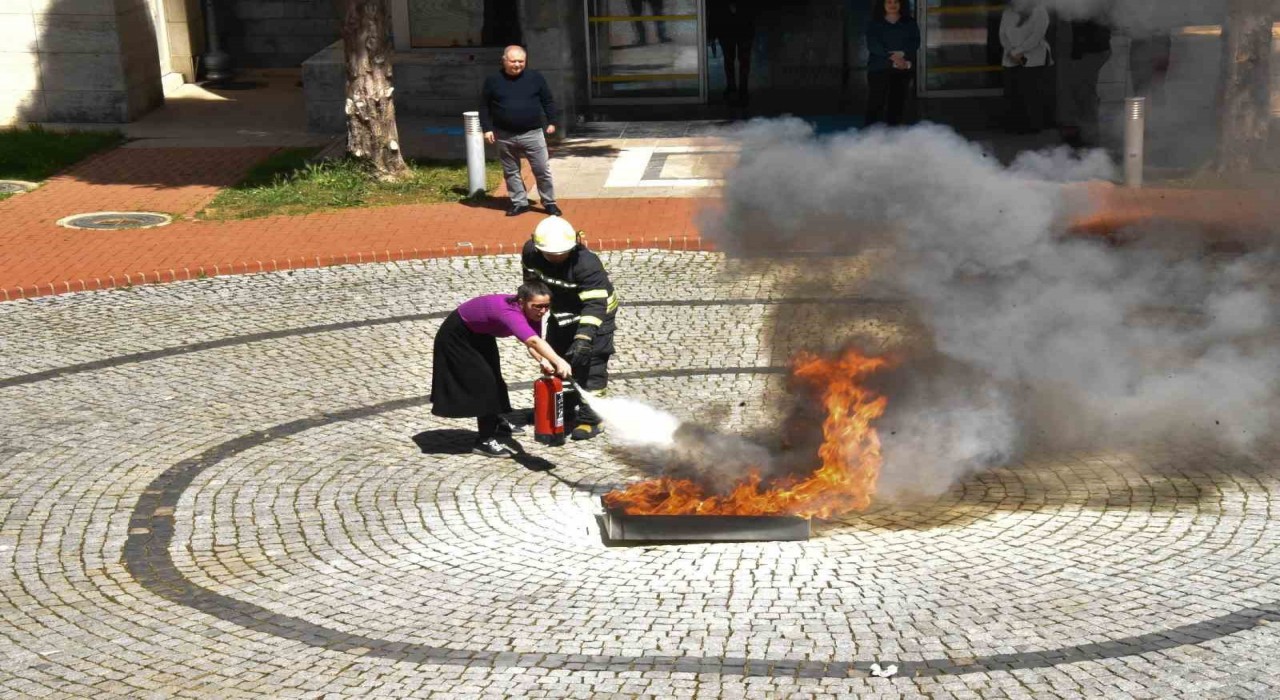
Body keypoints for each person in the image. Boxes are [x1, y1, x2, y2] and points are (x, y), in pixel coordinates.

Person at [431, 281, 572, 458]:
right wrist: (559, 361)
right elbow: (533, 341)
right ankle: (484, 440)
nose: (542, 311)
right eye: (537, 306)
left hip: (481, 335)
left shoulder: (534, 313)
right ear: (521, 302)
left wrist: (543, 360)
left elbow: (533, 342)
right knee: (485, 384)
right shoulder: (509, 312)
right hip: (457, 337)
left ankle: (495, 422)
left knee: (495, 379)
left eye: (546, 306)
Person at [521, 217, 618, 441]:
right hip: (562, 313)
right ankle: (563, 406)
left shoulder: (587, 264)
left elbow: (594, 305)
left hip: (596, 315)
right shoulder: (530, 253)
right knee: (558, 358)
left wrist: (584, 338)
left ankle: (591, 418)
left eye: (561, 253)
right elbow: (532, 288)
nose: (556, 258)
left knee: (592, 364)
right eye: (550, 254)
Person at [479, 45, 561, 218]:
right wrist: (487, 129)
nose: (517, 64)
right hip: (504, 134)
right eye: (513, 61)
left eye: (521, 61)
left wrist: (552, 121)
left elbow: (547, 100)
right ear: (504, 61)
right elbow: (484, 106)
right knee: (511, 171)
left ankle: (549, 202)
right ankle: (520, 203)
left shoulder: (535, 78)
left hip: (532, 133)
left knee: (541, 170)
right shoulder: (493, 80)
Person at [864, 0, 920, 127]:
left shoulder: (909, 23)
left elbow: (915, 42)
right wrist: (893, 57)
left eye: (896, 2)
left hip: (902, 67)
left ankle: (894, 133)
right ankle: (871, 133)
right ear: (882, 5)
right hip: (878, 67)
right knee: (876, 101)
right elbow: (873, 45)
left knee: (898, 101)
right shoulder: (874, 23)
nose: (892, 5)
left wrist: (903, 55)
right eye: (889, 2)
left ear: (901, 4)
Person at [999, 2, 1051, 134]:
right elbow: (1002, 34)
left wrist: (1018, 51)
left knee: (1031, 92)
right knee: (1012, 91)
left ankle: (1033, 126)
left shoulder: (1040, 10)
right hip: (1010, 57)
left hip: (1033, 57)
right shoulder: (1008, 11)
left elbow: (1037, 36)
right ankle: (1014, 124)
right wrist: (1011, 51)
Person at [1060, 17, 1112, 147]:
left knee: (1084, 94)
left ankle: (1089, 136)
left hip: (1090, 50)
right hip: (1090, 49)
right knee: (1082, 93)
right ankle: (1084, 133)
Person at [707, 0, 759, 106]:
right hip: (742, 28)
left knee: (730, 60)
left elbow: (714, 10)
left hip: (728, 28)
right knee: (742, 61)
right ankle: (741, 90)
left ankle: (733, 88)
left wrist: (711, 33)